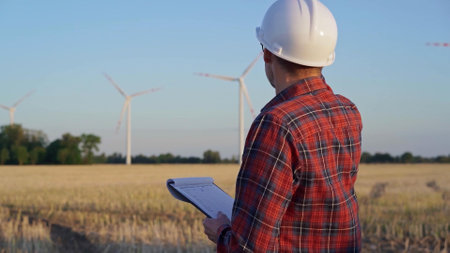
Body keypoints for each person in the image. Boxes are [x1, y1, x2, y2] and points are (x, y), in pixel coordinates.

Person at [203, 0, 362, 252]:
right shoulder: (347, 111)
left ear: (266, 52)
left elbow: (249, 248)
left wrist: (222, 231)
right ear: (326, 56)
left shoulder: (276, 124)